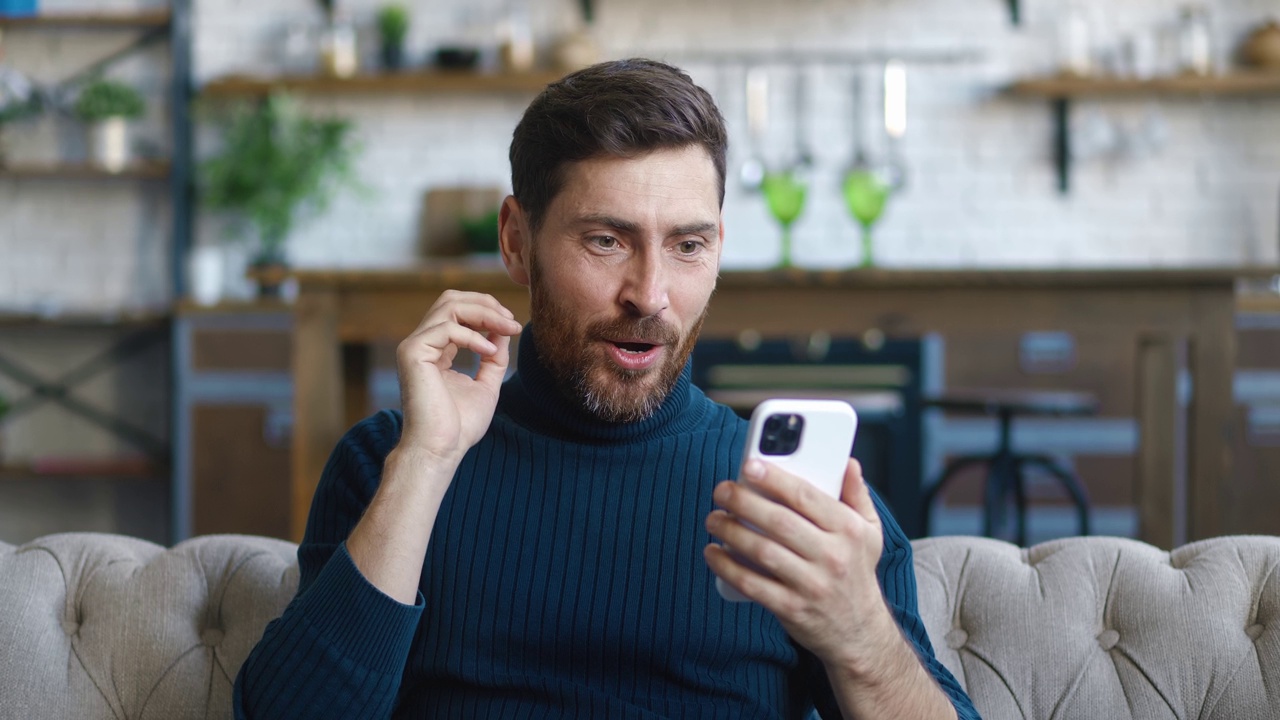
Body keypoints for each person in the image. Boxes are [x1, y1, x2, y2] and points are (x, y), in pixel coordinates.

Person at [234, 58, 979, 720]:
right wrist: (426, 462)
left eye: (688, 246)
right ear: (516, 241)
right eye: (606, 241)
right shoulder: (387, 464)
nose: (650, 295)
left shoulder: (806, 504)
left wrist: (859, 635)